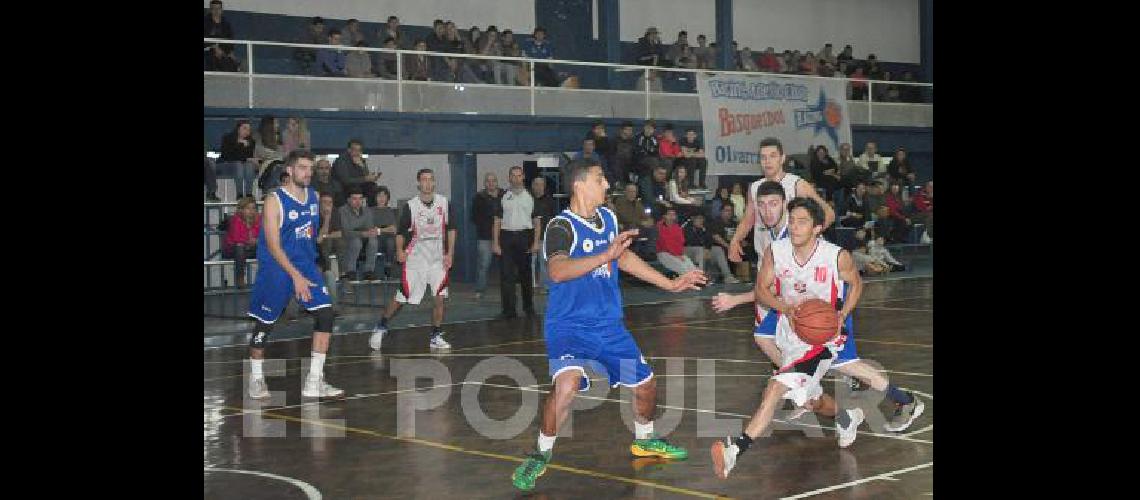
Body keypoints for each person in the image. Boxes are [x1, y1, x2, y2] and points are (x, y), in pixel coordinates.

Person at [510, 158, 708, 492]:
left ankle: (644, 440)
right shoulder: (562, 227)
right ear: (579, 184)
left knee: (646, 385)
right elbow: (557, 271)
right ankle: (539, 454)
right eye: (600, 180)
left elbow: (623, 257)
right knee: (567, 386)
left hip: (607, 326)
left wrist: (669, 283)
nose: (606, 186)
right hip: (569, 325)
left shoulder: (607, 217)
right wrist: (605, 256)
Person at [710, 197, 864, 479]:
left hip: (822, 339)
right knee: (807, 399)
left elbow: (856, 284)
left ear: (818, 228)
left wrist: (842, 314)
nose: (794, 226)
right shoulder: (776, 251)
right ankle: (846, 416)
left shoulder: (836, 255)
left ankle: (735, 450)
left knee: (776, 388)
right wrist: (785, 309)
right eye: (791, 221)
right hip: (790, 330)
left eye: (802, 221)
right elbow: (761, 289)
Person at [246, 150, 343, 400]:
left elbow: (309, 235)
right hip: (276, 268)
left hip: (305, 265)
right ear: (289, 170)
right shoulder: (274, 200)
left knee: (325, 314)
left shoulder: (313, 196)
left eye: (310, 168)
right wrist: (295, 276)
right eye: (302, 168)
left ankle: (314, 380)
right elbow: (273, 245)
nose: (308, 172)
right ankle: (256, 378)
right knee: (264, 324)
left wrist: (313, 265)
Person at [369, 169, 457, 351]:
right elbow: (401, 233)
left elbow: (451, 229)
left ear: (434, 183)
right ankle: (381, 325)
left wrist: (450, 253)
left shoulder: (444, 203)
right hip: (416, 258)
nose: (427, 183)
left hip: (437, 258)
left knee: (440, 298)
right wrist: (400, 250)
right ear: (418, 183)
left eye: (430, 180)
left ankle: (435, 335)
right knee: (402, 297)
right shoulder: (411, 206)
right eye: (423, 180)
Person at [492, 166, 542, 318]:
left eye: (518, 175)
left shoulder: (531, 197)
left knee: (526, 275)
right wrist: (495, 243)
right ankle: (508, 310)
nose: (516, 178)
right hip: (506, 237)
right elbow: (496, 221)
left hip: (525, 237)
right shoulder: (502, 196)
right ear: (509, 178)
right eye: (513, 175)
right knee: (507, 276)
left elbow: (537, 223)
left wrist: (535, 243)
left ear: (523, 177)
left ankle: (528, 308)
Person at [223, 197, 260, 288]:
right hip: (232, 249)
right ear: (241, 210)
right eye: (248, 208)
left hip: (251, 248)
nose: (251, 211)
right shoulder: (235, 219)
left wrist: (257, 240)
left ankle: (268, 278)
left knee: (269, 248)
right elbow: (237, 239)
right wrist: (251, 237)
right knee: (240, 246)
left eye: (253, 208)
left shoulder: (260, 219)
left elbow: (264, 236)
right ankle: (240, 278)